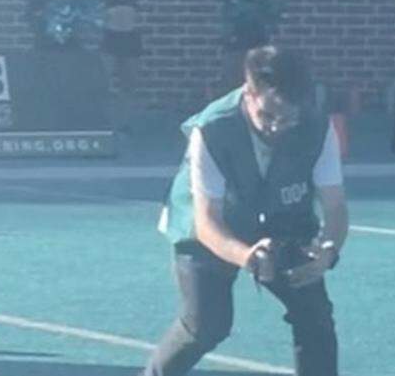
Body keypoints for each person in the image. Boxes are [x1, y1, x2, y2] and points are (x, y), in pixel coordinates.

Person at [143, 46, 347, 376]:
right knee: (206, 326)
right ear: (248, 94)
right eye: (268, 116)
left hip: (284, 219)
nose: (278, 127)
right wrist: (247, 256)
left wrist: (328, 250)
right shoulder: (212, 129)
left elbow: (335, 206)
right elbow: (207, 222)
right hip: (206, 227)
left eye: (289, 117)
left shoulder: (318, 127)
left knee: (315, 317)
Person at [93, 0, 146, 132]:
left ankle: (126, 121)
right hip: (110, 35)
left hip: (130, 35)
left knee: (129, 83)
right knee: (105, 81)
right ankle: (106, 120)